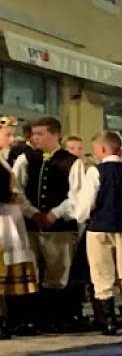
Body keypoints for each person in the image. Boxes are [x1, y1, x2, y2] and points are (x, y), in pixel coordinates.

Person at [11, 116, 88, 332]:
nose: (35, 138)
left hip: (61, 228)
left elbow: (77, 195)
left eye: (40, 134)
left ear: (55, 134)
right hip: (32, 227)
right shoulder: (26, 159)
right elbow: (17, 190)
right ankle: (33, 319)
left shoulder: (71, 162)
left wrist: (55, 213)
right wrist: (33, 213)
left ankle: (57, 318)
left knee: (57, 274)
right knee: (33, 273)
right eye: (33, 134)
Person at [72, 129, 122, 335]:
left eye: (96, 148)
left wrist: (80, 217)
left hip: (99, 227)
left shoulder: (95, 171)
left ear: (103, 149)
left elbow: (87, 202)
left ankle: (110, 323)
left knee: (101, 274)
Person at [0, 117, 40, 338]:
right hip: (2, 221)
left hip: (10, 220)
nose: (12, 138)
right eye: (7, 134)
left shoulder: (4, 160)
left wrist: (31, 212)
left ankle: (14, 319)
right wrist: (8, 196)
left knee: (13, 268)